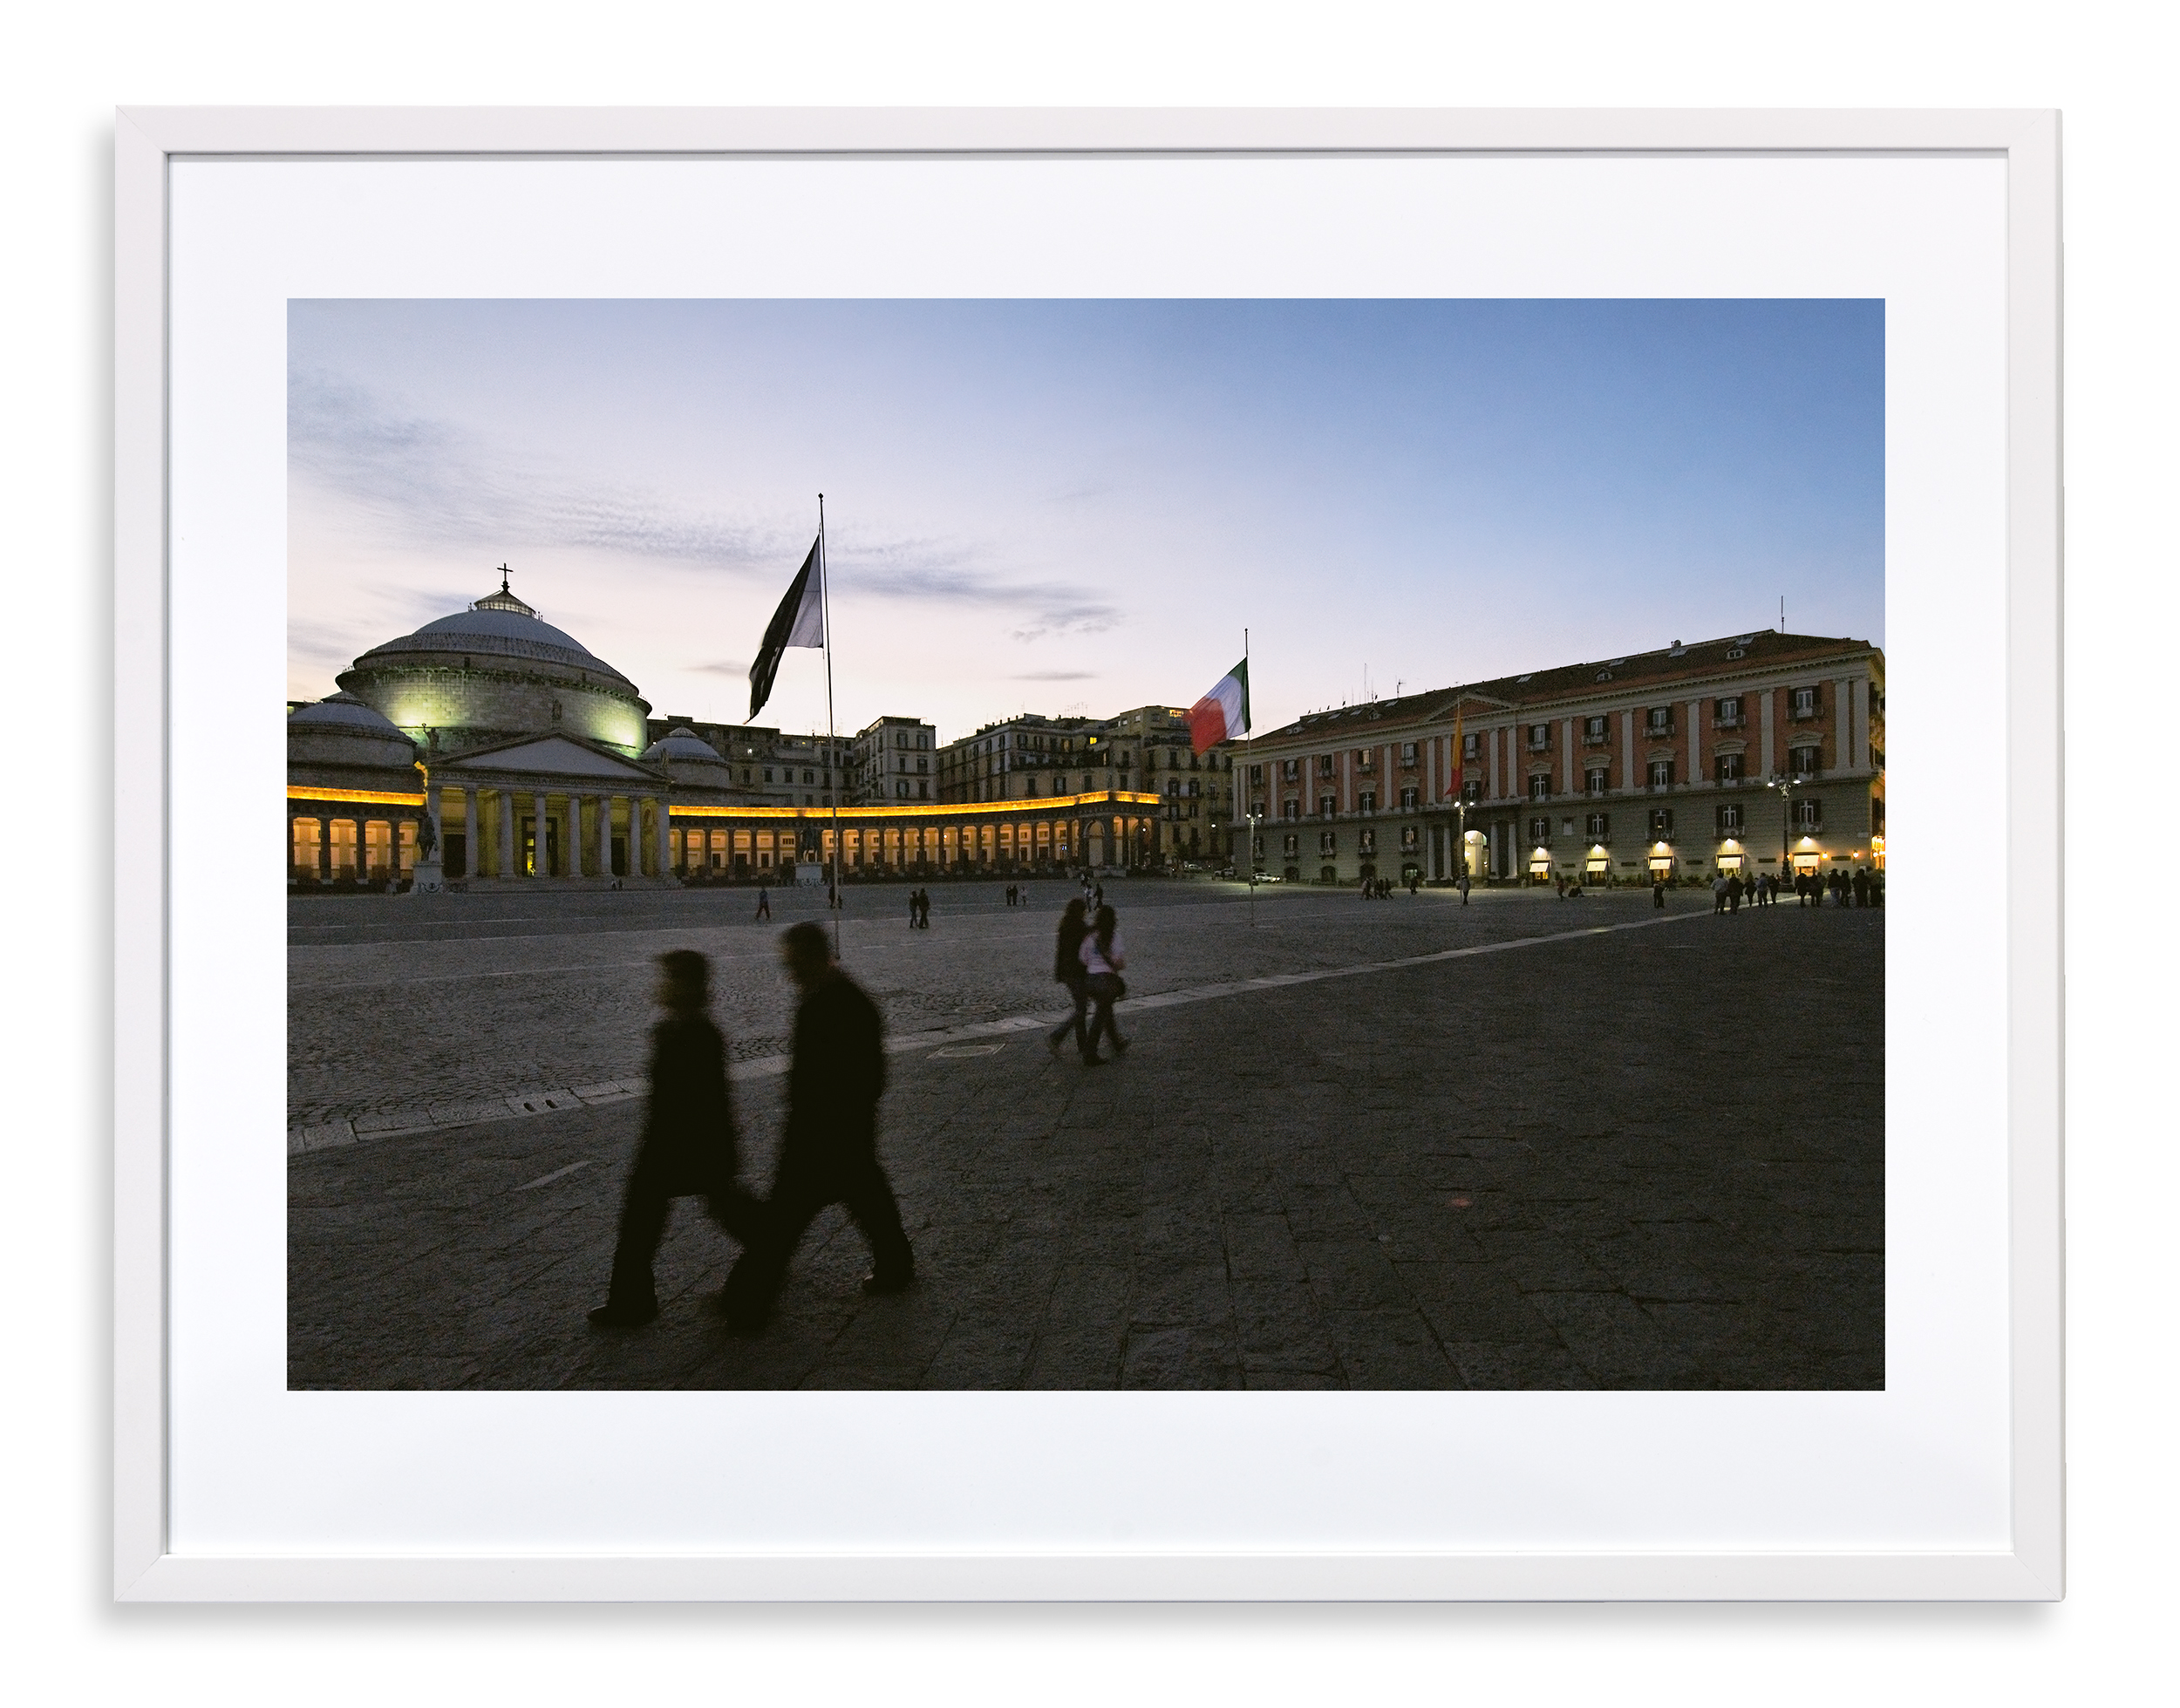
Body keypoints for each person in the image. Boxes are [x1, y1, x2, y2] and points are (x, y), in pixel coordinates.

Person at [722, 923, 914, 1329]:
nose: (788, 971)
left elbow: (817, 1080)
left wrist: (809, 1122)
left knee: (785, 1221)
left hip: (820, 1135)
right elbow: (872, 1074)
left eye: (792, 962)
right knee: (868, 1198)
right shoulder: (849, 996)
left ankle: (748, 1300)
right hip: (847, 1131)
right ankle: (896, 1264)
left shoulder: (823, 1002)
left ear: (810, 958)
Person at [589, 950, 762, 1329]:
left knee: (650, 1223)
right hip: (681, 1149)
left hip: (684, 1149)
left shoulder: (696, 1033)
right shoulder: (678, 1029)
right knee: (649, 1223)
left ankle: (633, 1301)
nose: (659, 985)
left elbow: (707, 1102)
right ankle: (631, 1299)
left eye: (667, 978)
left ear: (684, 985)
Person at [1078, 903, 1129, 1065]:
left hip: (1090, 981)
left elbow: (1083, 959)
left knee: (1105, 1010)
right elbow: (1120, 964)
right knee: (1100, 1016)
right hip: (1107, 982)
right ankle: (1090, 1053)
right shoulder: (1115, 936)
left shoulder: (1090, 936)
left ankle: (1116, 1043)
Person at [1046, 898, 1092, 1058]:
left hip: (1067, 971)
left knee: (1081, 1006)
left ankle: (1082, 1043)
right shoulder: (1079, 927)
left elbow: (1060, 951)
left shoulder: (1065, 925)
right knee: (1081, 1009)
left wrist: (1058, 971)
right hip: (1077, 972)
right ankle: (1056, 1036)